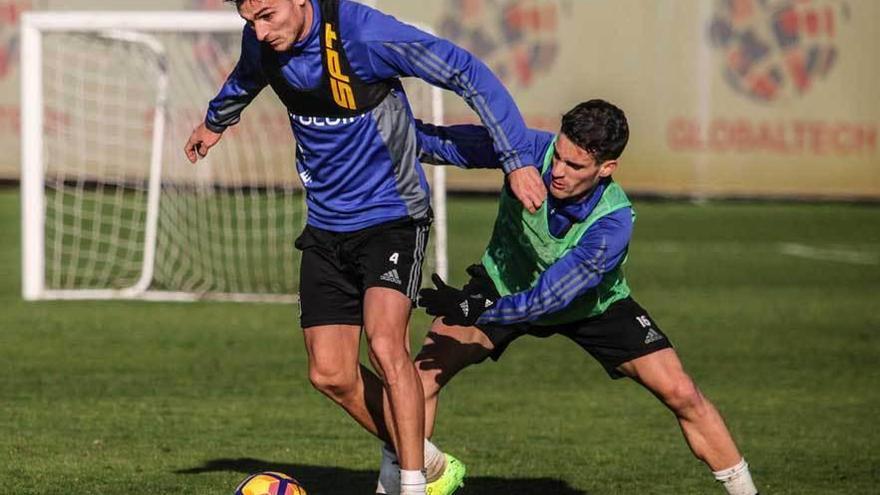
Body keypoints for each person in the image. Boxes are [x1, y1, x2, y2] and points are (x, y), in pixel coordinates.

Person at [183, 1, 545, 494]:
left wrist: (517, 158)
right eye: (250, 21)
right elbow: (247, 77)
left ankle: (413, 484)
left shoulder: (364, 36)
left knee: (383, 343)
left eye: (268, 15)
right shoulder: (261, 42)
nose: (260, 31)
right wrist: (214, 122)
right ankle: (429, 459)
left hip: (391, 217)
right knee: (329, 372)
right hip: (327, 225)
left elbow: (465, 70)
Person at [404, 99, 760, 495]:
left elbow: (547, 300)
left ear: (606, 168)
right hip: (503, 281)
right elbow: (443, 143)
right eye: (558, 155)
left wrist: (479, 310)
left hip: (590, 305)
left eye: (574, 166)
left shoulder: (612, 223)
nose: (557, 171)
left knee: (683, 393)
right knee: (418, 383)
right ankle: (418, 480)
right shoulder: (525, 150)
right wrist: (373, 128)